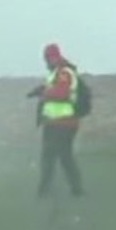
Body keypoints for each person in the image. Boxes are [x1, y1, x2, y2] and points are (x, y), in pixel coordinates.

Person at [27, 43, 84, 198]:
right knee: (58, 157)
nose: (46, 62)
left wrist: (44, 93)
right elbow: (54, 88)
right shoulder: (57, 73)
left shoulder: (64, 73)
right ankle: (73, 189)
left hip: (64, 123)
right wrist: (39, 91)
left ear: (54, 57)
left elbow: (61, 92)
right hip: (54, 123)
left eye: (48, 58)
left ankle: (46, 191)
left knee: (56, 157)